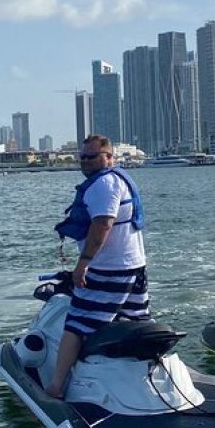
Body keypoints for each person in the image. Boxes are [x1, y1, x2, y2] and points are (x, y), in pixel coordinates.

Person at [45, 134, 150, 398]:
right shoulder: (119, 180)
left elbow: (102, 225)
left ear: (109, 157)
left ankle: (56, 386)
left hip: (109, 270)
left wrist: (83, 264)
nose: (86, 162)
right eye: (83, 157)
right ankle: (139, 383)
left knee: (77, 324)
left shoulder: (103, 186)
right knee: (135, 320)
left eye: (93, 157)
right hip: (134, 266)